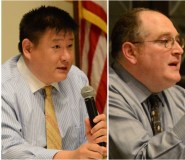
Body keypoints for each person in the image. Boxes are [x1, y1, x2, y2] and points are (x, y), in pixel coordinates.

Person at [1, 6, 107, 159]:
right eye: (56, 46)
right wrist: (67, 157)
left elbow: (82, 147)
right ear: (28, 48)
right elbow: (8, 150)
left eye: (69, 46)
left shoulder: (77, 78)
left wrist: (93, 143)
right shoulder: (4, 86)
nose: (67, 57)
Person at [109, 8, 185, 159]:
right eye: (165, 41)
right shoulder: (108, 95)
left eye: (178, 41)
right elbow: (140, 157)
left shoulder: (178, 95)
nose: (179, 50)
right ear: (131, 52)